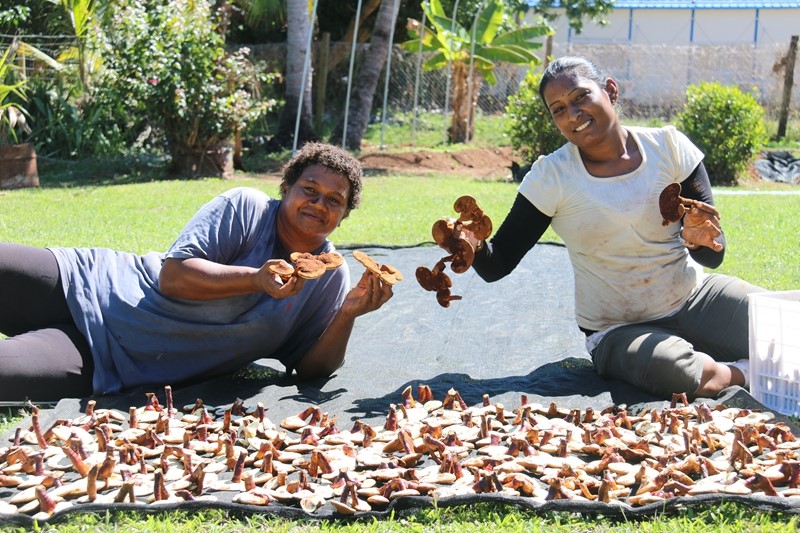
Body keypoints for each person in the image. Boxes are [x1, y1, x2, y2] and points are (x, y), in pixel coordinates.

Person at [0, 142, 394, 401]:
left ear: (343, 217)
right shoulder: (247, 209)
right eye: (309, 189)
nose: (318, 204)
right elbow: (173, 277)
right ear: (286, 188)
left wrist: (346, 315)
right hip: (87, 281)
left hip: (113, 359)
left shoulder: (329, 277)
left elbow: (311, 367)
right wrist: (255, 279)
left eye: (334, 200)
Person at [467, 56, 762, 400]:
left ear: (610, 90)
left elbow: (714, 256)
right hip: (618, 329)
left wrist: (702, 241)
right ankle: (743, 372)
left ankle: (727, 363)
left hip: (694, 296)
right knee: (676, 370)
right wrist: (469, 244)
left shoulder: (668, 147)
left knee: (782, 322)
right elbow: (497, 263)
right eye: (558, 109)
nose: (572, 114)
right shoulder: (553, 178)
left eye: (580, 97)